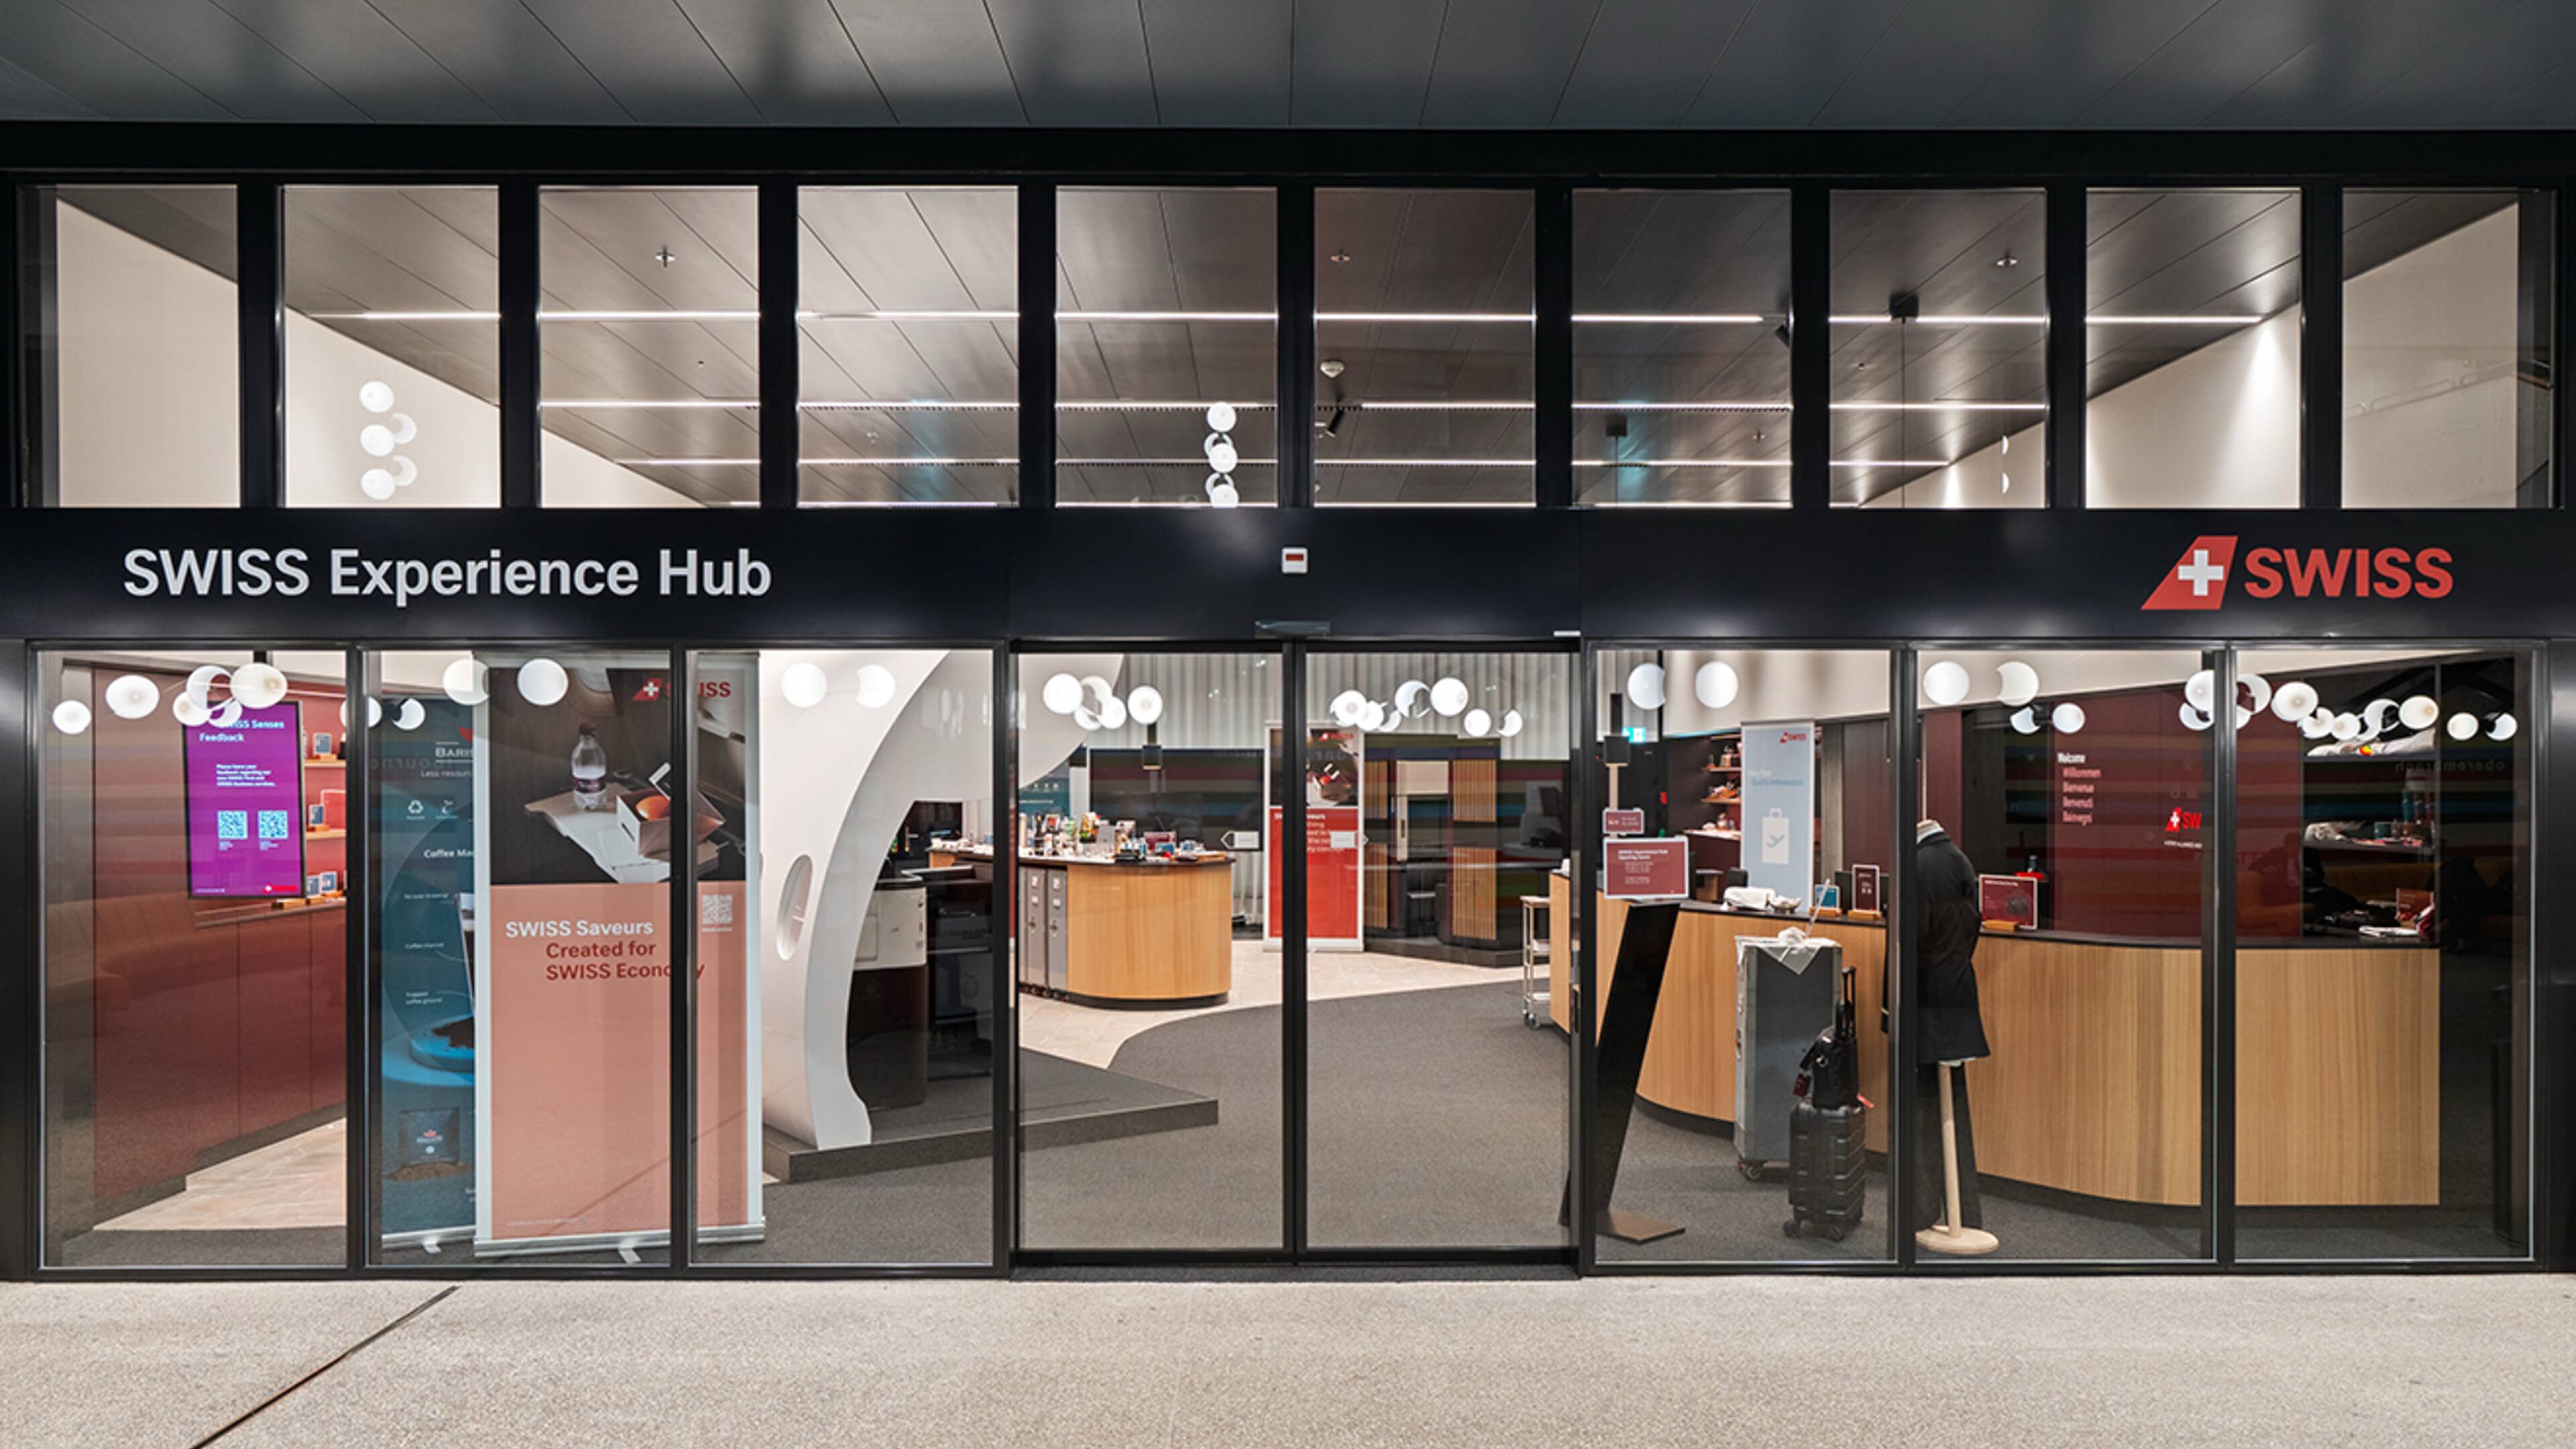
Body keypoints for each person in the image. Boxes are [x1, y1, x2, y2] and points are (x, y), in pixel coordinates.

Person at [1908, 818, 1990, 1232]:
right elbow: (1972, 928)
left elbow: (1913, 939)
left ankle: (1924, 1210)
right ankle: (1965, 1213)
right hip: (1958, 989)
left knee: (1925, 1106)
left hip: (1928, 998)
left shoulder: (1920, 864)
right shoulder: (1960, 860)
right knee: (1954, 1103)